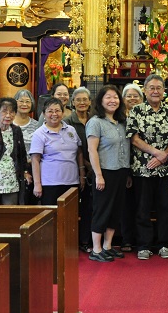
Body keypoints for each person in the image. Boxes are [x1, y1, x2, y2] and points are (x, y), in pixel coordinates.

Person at [127, 74, 168, 260]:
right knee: (143, 208)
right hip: (143, 168)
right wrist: (156, 153)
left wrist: (163, 155)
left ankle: (164, 243)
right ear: (145, 90)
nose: (155, 91)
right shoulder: (136, 111)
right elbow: (133, 138)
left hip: (165, 168)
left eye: (159, 88)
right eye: (151, 88)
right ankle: (144, 245)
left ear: (164, 91)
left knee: (164, 207)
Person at [86, 85, 131, 262]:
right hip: (104, 172)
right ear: (101, 101)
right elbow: (92, 150)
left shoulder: (121, 122)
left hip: (121, 171)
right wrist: (98, 175)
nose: (113, 101)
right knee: (102, 210)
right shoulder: (96, 122)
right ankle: (96, 249)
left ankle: (108, 246)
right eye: (108, 97)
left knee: (115, 211)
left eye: (115, 97)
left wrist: (126, 173)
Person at [30, 97, 84, 206]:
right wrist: (37, 184)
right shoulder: (39, 133)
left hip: (72, 182)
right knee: (52, 216)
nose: (54, 114)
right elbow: (35, 160)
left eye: (57, 110)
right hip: (50, 183)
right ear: (44, 114)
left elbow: (79, 152)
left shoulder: (71, 130)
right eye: (50, 111)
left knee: (71, 215)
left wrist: (82, 175)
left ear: (63, 113)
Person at [64, 88, 94, 252]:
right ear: (72, 102)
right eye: (78, 100)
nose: (82, 103)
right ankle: (71, 241)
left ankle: (86, 241)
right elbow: (72, 148)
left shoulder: (95, 120)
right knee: (73, 208)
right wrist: (87, 166)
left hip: (96, 170)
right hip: (75, 170)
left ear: (90, 102)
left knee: (90, 207)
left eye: (85, 99)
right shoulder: (68, 122)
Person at [120, 82, 143, 251]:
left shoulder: (145, 116)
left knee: (142, 204)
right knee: (126, 205)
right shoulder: (119, 118)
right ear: (123, 99)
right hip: (124, 166)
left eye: (136, 96)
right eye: (129, 96)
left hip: (144, 166)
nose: (133, 98)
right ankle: (127, 238)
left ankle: (142, 239)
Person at [13, 89, 40, 204]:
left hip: (33, 168)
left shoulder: (37, 125)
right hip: (13, 168)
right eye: (21, 101)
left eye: (28, 101)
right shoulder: (8, 123)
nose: (24, 104)